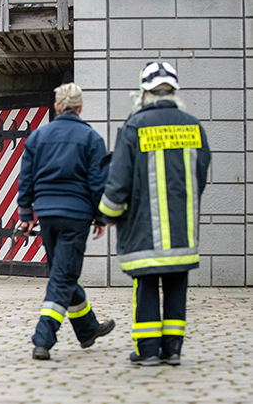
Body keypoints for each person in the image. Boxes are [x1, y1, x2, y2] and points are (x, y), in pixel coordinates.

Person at [98, 62, 211, 366]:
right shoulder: (193, 125)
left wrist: (107, 214)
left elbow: (119, 179)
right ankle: (173, 350)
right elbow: (200, 174)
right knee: (177, 285)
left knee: (146, 285)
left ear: (144, 91)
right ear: (174, 90)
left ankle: (147, 351)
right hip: (181, 227)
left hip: (142, 227)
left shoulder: (135, 126)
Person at [18, 82, 115, 361]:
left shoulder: (38, 136)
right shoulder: (91, 139)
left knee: (62, 273)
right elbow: (98, 182)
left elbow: (26, 177)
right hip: (77, 216)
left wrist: (26, 215)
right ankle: (43, 338)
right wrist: (100, 215)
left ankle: (87, 330)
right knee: (63, 276)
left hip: (47, 216)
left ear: (57, 106)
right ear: (81, 107)